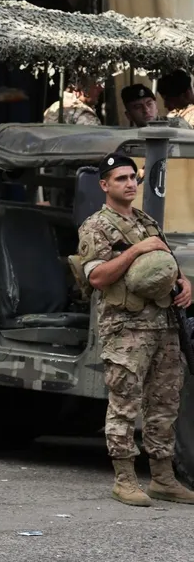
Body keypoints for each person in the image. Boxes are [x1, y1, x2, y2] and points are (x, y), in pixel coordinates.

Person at [76, 152, 194, 507]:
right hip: (126, 328)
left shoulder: (145, 221)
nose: (130, 184)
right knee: (124, 404)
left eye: (132, 178)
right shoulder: (96, 226)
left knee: (165, 402)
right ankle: (124, 479)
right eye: (121, 179)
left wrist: (184, 282)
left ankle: (163, 478)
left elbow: (164, 261)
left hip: (164, 325)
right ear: (104, 185)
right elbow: (97, 277)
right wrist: (137, 250)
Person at [121, 84, 191, 129]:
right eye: (138, 107)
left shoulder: (177, 125)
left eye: (149, 104)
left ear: (156, 106)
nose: (146, 110)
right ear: (128, 115)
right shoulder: (129, 138)